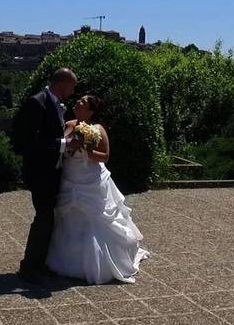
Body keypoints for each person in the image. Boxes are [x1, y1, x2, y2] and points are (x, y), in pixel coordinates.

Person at [46, 94, 149, 284]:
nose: (78, 102)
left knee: (94, 217)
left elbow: (105, 156)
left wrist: (87, 150)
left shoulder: (98, 129)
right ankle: (66, 259)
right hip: (70, 177)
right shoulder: (67, 124)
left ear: (90, 111)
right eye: (78, 100)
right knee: (68, 217)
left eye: (83, 102)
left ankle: (101, 263)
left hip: (90, 180)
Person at [14, 68, 79, 284]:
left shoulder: (55, 103)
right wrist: (64, 144)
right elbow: (30, 142)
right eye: (72, 86)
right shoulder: (37, 102)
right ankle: (29, 267)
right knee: (43, 218)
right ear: (62, 84)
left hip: (52, 171)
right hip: (40, 172)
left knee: (47, 219)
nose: (73, 91)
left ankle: (38, 264)